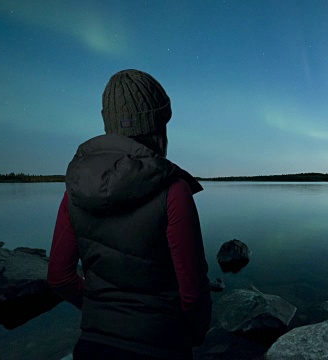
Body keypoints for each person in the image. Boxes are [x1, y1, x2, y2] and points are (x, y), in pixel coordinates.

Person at [48, 69, 212, 359]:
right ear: (157, 127)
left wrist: (102, 313)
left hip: (92, 347)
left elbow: (59, 278)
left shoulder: (74, 191)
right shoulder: (173, 191)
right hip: (162, 347)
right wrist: (194, 334)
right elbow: (193, 293)